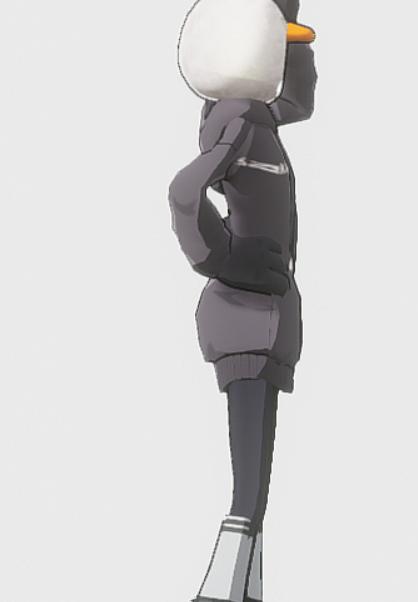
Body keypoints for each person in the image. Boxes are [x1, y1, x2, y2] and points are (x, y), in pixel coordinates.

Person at [168, 1, 317, 600]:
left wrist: (295, 39)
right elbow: (184, 192)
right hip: (246, 316)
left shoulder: (260, 121)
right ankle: (221, 590)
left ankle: (247, 588)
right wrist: (224, 258)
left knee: (257, 475)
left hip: (269, 316)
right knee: (249, 477)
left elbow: (298, 103)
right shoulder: (237, 120)